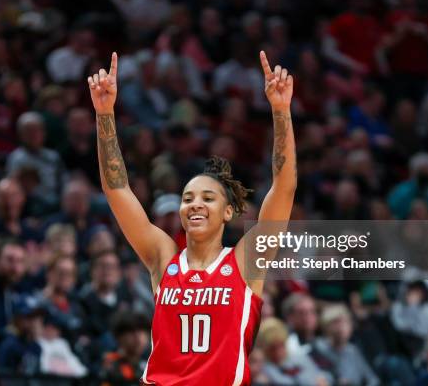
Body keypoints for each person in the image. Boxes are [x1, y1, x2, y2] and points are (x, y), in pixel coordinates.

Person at [86, 50, 297, 384]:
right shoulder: (164, 257)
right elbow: (117, 190)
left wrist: (281, 110)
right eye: (187, 198)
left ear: (228, 212)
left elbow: (284, 189)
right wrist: (104, 114)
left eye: (207, 198)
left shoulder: (244, 261)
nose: (195, 204)